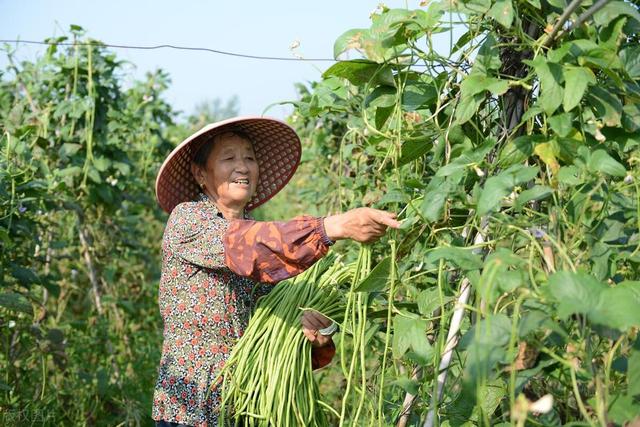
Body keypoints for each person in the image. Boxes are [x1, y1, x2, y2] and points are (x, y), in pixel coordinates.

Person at [151, 117, 400, 426]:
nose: (242, 166)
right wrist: (332, 226)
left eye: (250, 158)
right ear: (201, 173)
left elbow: (279, 332)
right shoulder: (188, 220)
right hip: (190, 407)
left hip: (246, 405)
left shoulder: (260, 237)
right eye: (229, 158)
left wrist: (319, 335)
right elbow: (247, 247)